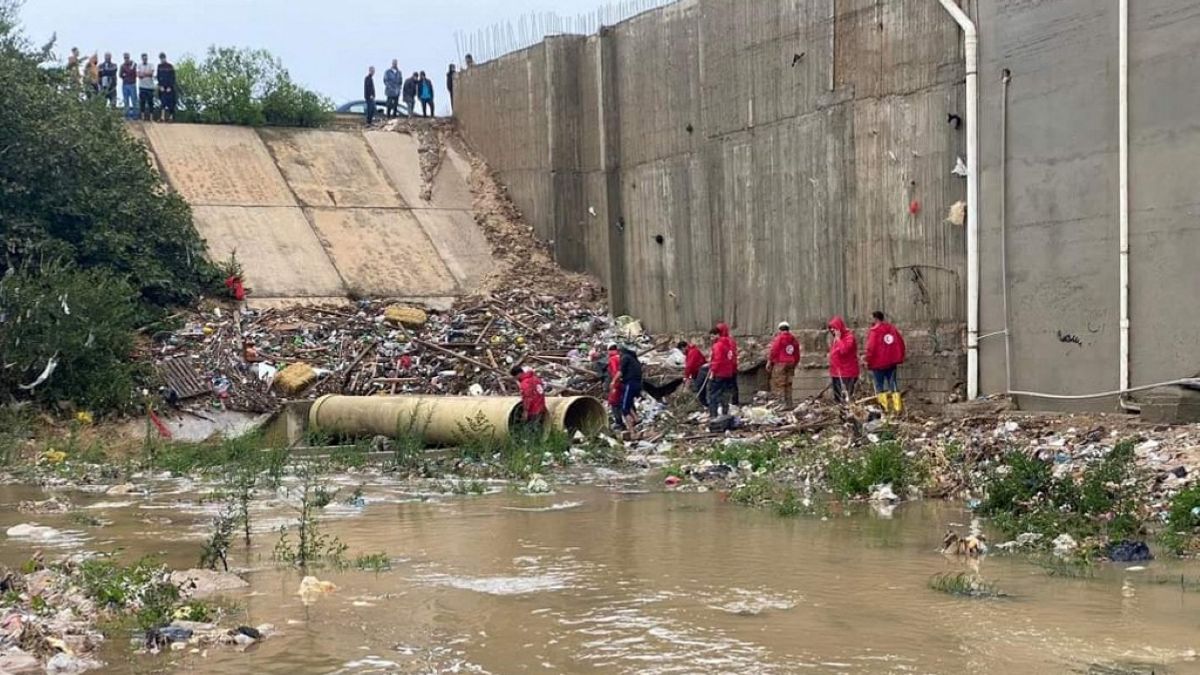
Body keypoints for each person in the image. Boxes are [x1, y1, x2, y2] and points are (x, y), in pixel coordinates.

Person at [865, 311, 907, 414]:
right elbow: (900, 343)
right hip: (891, 363)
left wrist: (867, 360)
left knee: (880, 387)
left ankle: (885, 410)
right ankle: (898, 409)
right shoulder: (891, 329)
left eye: (871, 318)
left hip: (877, 364)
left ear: (876, 319)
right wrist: (898, 356)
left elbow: (871, 348)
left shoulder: (874, 331)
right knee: (893, 385)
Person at [767, 321, 801, 407]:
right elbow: (797, 353)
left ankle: (781, 405)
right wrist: (795, 363)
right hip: (791, 363)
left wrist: (769, 361)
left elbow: (774, 350)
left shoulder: (779, 338)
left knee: (779, 384)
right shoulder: (794, 339)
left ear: (779, 329)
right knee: (788, 384)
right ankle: (789, 404)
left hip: (780, 363)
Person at [708, 323, 738, 418]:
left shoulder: (718, 345)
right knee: (725, 394)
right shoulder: (729, 343)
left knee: (713, 395)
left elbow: (717, 360)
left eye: (712, 336)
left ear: (717, 334)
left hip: (719, 374)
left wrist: (712, 371)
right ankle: (725, 414)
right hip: (728, 373)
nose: (711, 338)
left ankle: (713, 415)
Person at [827, 316, 859, 404]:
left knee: (846, 398)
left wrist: (838, 339)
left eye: (834, 328)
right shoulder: (835, 339)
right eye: (831, 328)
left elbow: (844, 351)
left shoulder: (849, 337)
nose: (832, 330)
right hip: (836, 373)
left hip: (847, 373)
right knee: (838, 398)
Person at [617, 345, 643, 434]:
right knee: (626, 401)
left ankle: (632, 432)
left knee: (624, 409)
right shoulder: (634, 358)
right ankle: (636, 418)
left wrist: (613, 382)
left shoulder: (625, 358)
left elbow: (620, 373)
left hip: (630, 384)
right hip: (637, 384)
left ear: (621, 352)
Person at [680, 340, 708, 408]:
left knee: (700, 387)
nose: (682, 353)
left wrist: (686, 377)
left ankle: (705, 404)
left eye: (681, 351)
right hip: (697, 372)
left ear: (684, 348)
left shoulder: (692, 352)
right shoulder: (690, 352)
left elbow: (690, 366)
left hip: (702, 371)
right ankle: (703, 403)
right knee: (699, 387)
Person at [156, 53, 176, 121]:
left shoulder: (170, 66)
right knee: (162, 103)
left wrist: (170, 87)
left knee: (171, 103)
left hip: (169, 88)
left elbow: (173, 77)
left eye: (163, 58)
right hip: (162, 87)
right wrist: (160, 86)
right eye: (161, 58)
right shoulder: (159, 66)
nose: (162, 59)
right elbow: (158, 77)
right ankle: (162, 117)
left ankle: (171, 117)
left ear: (165, 58)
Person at [137, 53, 156, 121]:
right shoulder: (139, 65)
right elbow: (139, 75)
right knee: (142, 102)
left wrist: (144, 74)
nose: (145, 59)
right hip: (142, 86)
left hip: (150, 87)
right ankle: (142, 117)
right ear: (142, 59)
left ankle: (151, 118)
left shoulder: (151, 65)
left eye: (146, 58)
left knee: (151, 102)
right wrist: (146, 74)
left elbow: (151, 73)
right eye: (143, 58)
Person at [119, 53, 138, 118]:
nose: (126, 59)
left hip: (132, 84)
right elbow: (120, 75)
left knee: (134, 100)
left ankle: (135, 116)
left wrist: (126, 73)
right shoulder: (122, 66)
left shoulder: (133, 64)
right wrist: (128, 73)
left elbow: (134, 73)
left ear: (129, 57)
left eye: (127, 57)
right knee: (126, 100)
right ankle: (126, 116)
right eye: (125, 57)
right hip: (125, 85)